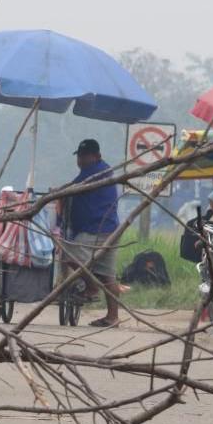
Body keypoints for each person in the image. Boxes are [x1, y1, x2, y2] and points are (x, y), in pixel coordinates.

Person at [59, 139, 121, 328]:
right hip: (109, 229)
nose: (81, 160)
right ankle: (112, 317)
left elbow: (74, 187)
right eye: (80, 156)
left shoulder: (95, 171)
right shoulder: (98, 171)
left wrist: (57, 192)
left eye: (85, 156)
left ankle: (92, 287)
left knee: (69, 256)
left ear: (97, 156)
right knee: (107, 275)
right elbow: (74, 185)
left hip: (95, 228)